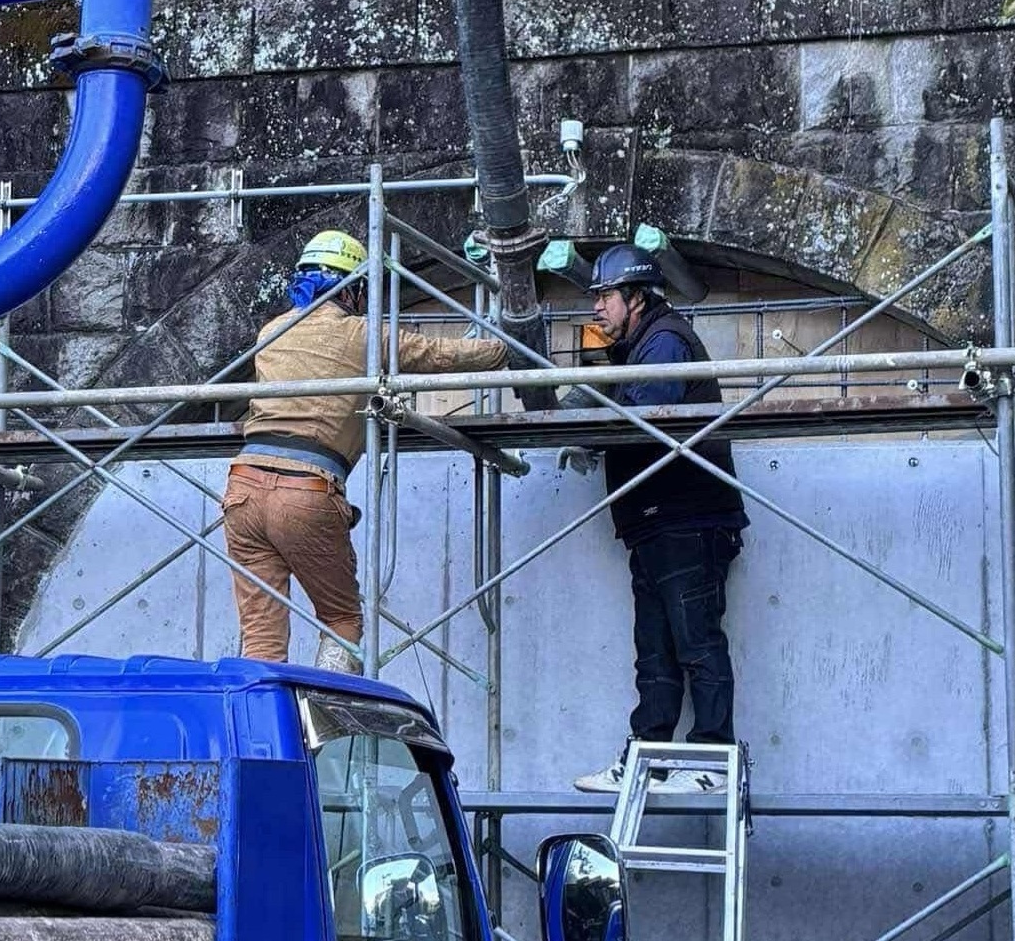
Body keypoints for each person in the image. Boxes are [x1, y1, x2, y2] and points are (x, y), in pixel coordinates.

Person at [224, 229, 507, 670]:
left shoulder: (272, 330)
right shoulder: (363, 335)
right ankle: (326, 723)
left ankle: (259, 723)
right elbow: (436, 354)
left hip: (242, 488)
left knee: (261, 633)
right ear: (354, 288)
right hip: (307, 488)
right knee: (340, 617)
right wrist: (504, 348)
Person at [572, 244, 747, 793]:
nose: (597, 308)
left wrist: (591, 426)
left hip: (687, 519)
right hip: (656, 521)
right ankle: (649, 757)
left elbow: (647, 416)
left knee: (696, 644)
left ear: (636, 297)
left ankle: (713, 759)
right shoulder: (640, 347)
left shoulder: (665, 340)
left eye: (605, 296)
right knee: (655, 651)